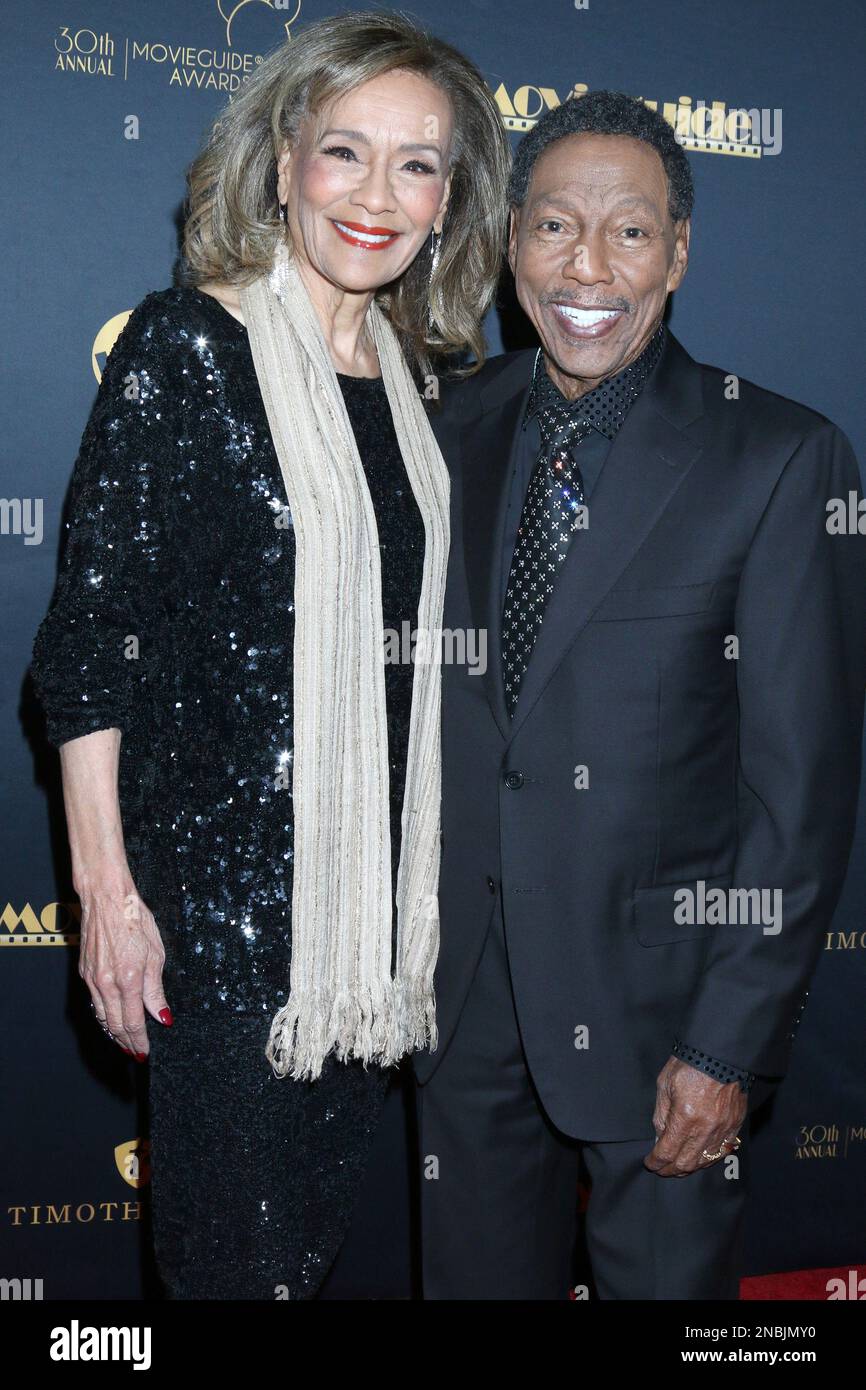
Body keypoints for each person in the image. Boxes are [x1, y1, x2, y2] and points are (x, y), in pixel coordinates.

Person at [30, 10, 510, 1300]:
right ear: (283, 156)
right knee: (233, 1270)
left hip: (362, 927)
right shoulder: (186, 349)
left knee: (302, 1258)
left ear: (448, 198)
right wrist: (108, 899)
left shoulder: (416, 390)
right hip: (221, 925)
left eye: (415, 164)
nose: (375, 194)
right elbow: (87, 643)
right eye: (343, 150)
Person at [417, 89, 866, 1300]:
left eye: (629, 231)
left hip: (666, 1018)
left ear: (678, 250)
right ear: (509, 245)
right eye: (556, 226)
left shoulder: (776, 457)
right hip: (461, 1006)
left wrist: (725, 1043)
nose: (588, 266)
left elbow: (798, 791)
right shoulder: (444, 425)